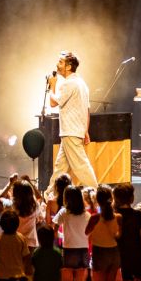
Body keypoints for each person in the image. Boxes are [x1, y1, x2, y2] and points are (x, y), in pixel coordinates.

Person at [47, 52, 97, 188]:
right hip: (74, 131)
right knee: (60, 168)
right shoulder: (82, 84)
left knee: (81, 166)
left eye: (60, 62)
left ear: (69, 67)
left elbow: (53, 103)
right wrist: (85, 131)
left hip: (70, 131)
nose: (57, 65)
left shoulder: (68, 84)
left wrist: (52, 85)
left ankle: (98, 194)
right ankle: (49, 194)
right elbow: (86, 110)